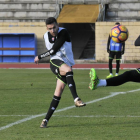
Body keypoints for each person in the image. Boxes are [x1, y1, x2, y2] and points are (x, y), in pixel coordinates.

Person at [34, 17, 86, 128]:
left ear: (57, 25)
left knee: (58, 93)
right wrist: (40, 57)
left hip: (65, 64)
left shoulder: (64, 32)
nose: (53, 30)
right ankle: (76, 99)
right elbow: (53, 53)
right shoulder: (45, 36)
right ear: (47, 28)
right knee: (68, 69)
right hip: (55, 63)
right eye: (50, 29)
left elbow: (54, 49)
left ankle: (45, 120)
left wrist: (39, 56)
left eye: (54, 27)